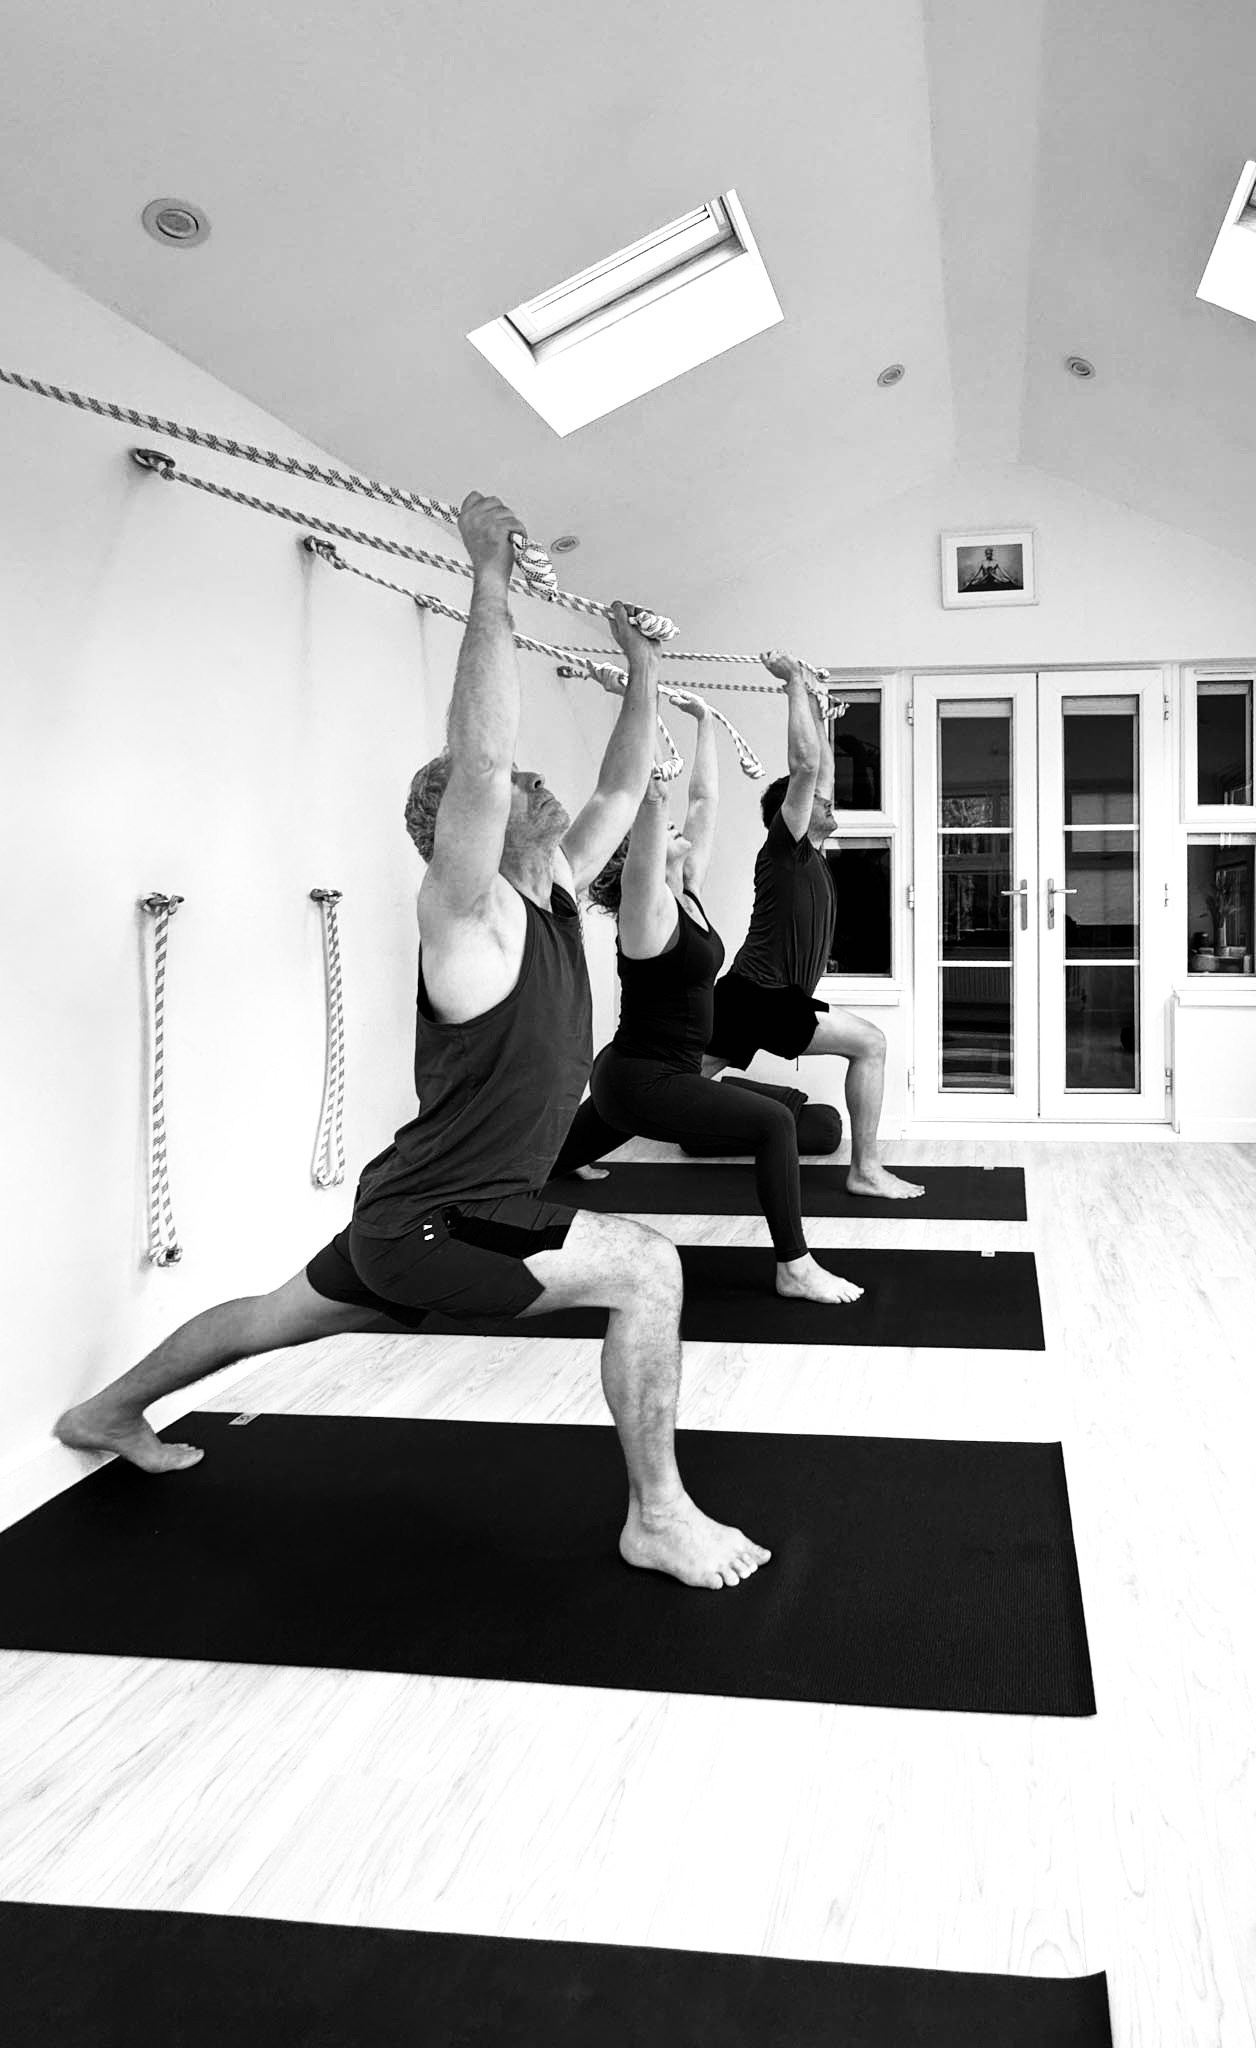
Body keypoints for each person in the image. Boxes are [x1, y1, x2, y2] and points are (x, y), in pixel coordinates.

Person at [56, 491, 769, 1593]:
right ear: (460, 832)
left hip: (414, 1205)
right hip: (446, 1220)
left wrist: (636, 662)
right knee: (649, 1268)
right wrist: (487, 577)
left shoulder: (558, 891)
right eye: (509, 790)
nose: (532, 787)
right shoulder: (467, 919)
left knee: (266, 1319)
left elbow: (625, 784)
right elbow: (481, 769)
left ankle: (105, 1410)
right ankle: (658, 1517)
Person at [553, 695, 861, 1304]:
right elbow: (649, 817)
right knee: (774, 1122)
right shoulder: (642, 918)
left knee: (568, 1150)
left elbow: (705, 803)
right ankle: (794, 1266)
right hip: (645, 1079)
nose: (677, 835)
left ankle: (542, 1168)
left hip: (631, 1079)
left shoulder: (687, 892)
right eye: (660, 836)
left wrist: (704, 724)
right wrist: (650, 777)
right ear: (636, 863)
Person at [704, 653, 923, 1201]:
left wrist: (822, 711)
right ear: (793, 813)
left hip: (754, 995)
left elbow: (817, 769)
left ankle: (567, 1150)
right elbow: (805, 770)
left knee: (664, 1078)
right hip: (765, 998)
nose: (831, 801)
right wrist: (794, 686)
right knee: (871, 1044)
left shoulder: (812, 853)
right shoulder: (786, 849)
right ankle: (865, 1169)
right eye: (820, 803)